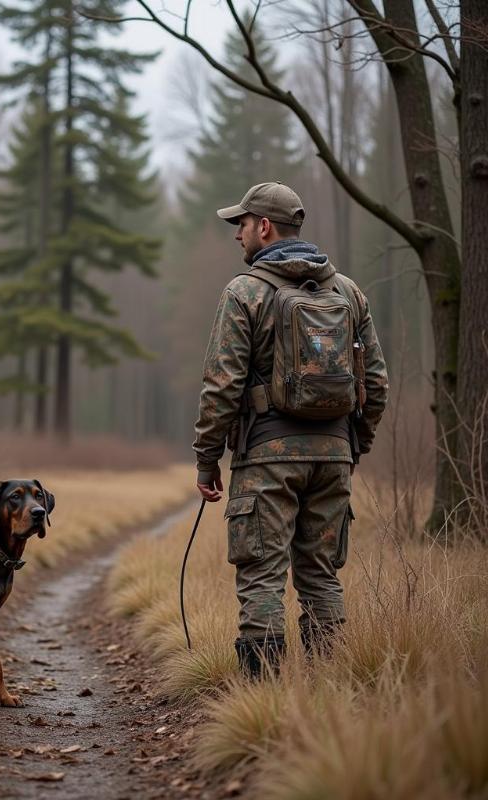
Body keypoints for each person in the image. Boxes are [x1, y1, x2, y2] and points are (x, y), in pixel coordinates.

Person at [193, 182, 388, 678]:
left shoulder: (244, 292)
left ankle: (263, 696)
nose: (237, 235)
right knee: (322, 577)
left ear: (264, 226)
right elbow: (377, 383)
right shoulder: (349, 292)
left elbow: (221, 385)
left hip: (266, 459)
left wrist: (206, 459)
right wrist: (351, 446)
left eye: (241, 224)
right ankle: (330, 688)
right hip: (334, 457)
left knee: (261, 576)